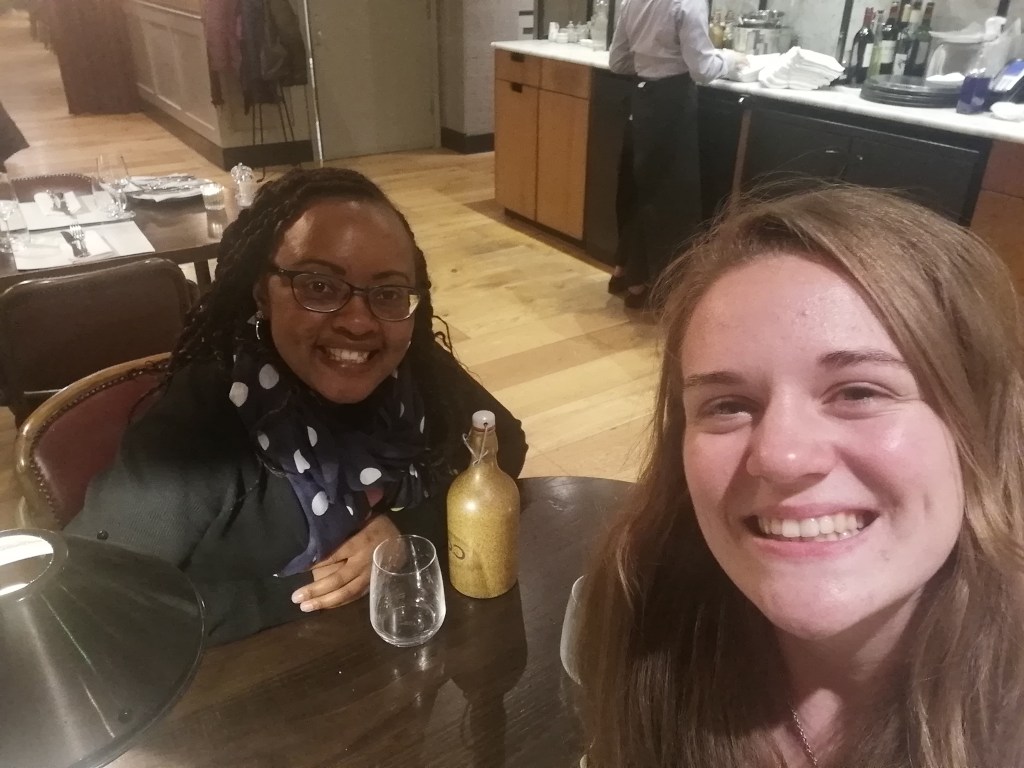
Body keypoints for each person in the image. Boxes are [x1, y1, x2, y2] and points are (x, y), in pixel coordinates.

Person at [576, 186, 1024, 767]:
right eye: (728, 404)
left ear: (980, 425)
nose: (781, 457)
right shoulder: (640, 610)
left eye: (859, 392)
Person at [67, 168, 527, 645]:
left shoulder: (412, 369)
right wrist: (297, 593)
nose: (358, 323)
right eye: (320, 286)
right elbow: (90, 601)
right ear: (262, 293)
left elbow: (505, 443)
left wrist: (405, 534)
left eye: (388, 293)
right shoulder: (204, 422)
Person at [607, 0, 745, 309]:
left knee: (642, 191)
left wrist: (650, 64)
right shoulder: (688, 3)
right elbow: (703, 70)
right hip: (671, 105)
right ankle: (654, 288)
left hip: (641, 101)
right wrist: (730, 60)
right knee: (670, 201)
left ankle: (624, 271)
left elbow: (618, 61)